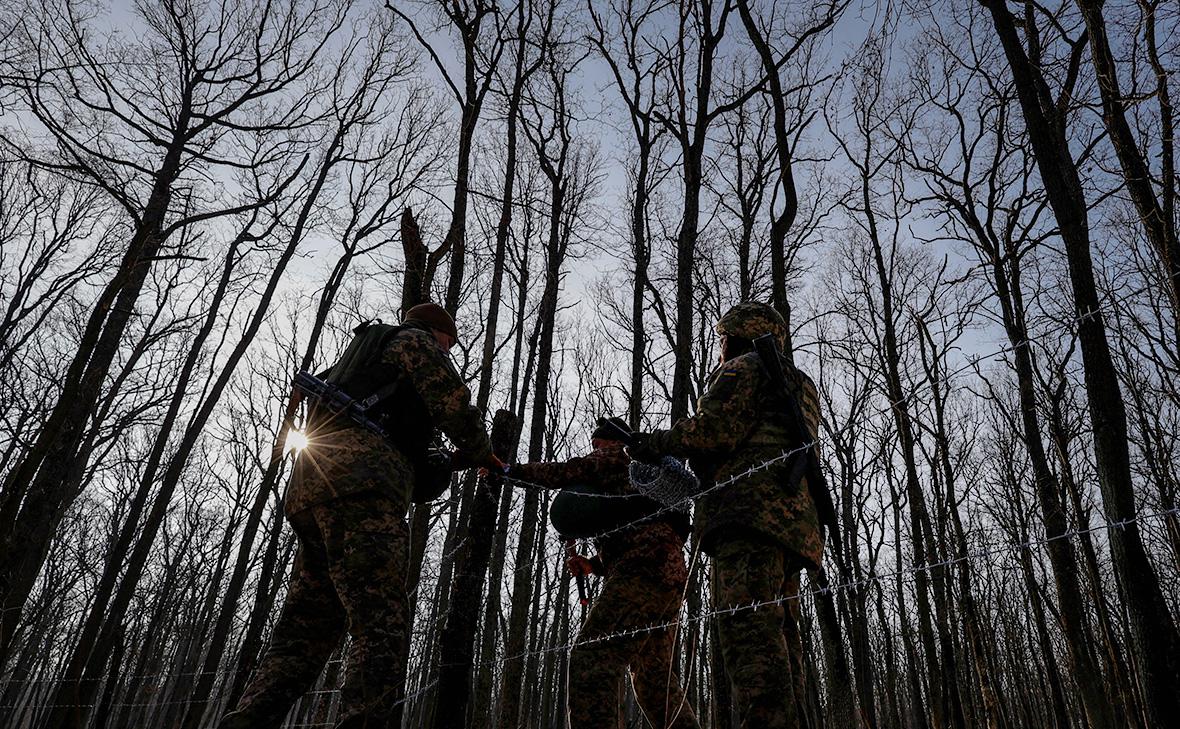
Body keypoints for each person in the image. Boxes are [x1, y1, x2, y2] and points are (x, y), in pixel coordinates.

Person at [220, 302, 502, 729]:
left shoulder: (362, 356)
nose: (449, 351)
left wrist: (442, 460)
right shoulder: (415, 342)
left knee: (304, 630)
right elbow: (452, 405)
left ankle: (248, 720)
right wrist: (485, 453)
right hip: (364, 493)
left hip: (311, 492)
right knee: (380, 621)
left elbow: (396, 428)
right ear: (437, 332)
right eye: (450, 343)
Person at [628, 302, 825, 729]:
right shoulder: (801, 382)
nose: (720, 347)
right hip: (794, 529)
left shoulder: (743, 368)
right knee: (784, 644)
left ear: (738, 335)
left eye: (723, 338)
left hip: (748, 518)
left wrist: (655, 442)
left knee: (749, 637)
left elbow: (713, 431)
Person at [507, 417, 700, 729]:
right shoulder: (638, 479)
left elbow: (561, 473)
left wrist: (508, 470)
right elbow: (641, 529)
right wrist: (594, 565)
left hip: (641, 572)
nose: (594, 449)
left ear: (612, 443)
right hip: (670, 577)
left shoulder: (613, 460)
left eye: (597, 443)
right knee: (654, 680)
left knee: (591, 658)